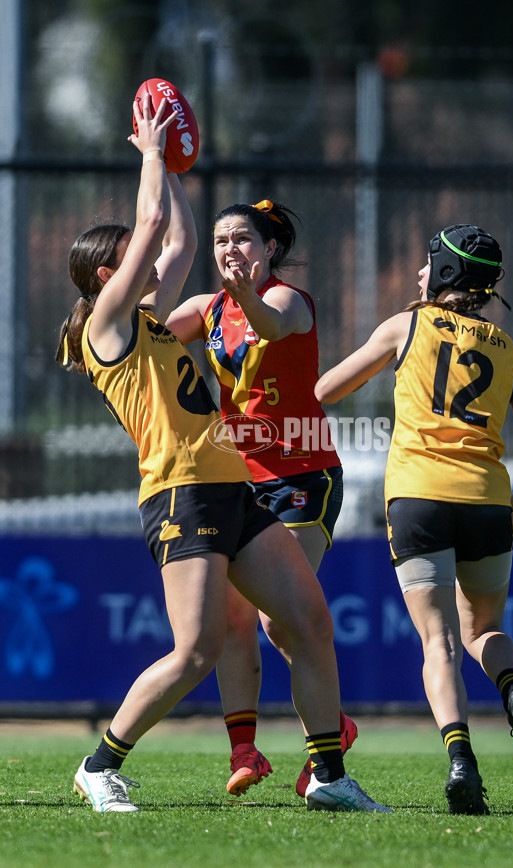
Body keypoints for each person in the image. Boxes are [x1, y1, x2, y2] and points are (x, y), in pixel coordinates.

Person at [56, 93, 391, 815]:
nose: (142, 260)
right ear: (102, 279)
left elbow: (172, 241)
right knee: (196, 650)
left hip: (232, 486)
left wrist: (176, 167)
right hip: (182, 493)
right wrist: (150, 149)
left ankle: (329, 775)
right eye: (123, 260)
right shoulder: (109, 327)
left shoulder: (146, 319)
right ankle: (98, 764)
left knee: (308, 619)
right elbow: (150, 229)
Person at [314, 223, 513, 815]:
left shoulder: (406, 325)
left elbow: (324, 390)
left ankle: (461, 759)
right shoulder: (509, 350)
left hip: (418, 499)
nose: (419, 274)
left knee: (440, 641)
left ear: (446, 275)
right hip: (486, 501)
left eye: (427, 265)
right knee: (483, 632)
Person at [165, 200, 356, 800]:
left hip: (304, 475)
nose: (230, 250)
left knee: (281, 618)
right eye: (221, 240)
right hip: (238, 479)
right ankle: (244, 749)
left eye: (243, 239)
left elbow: (270, 329)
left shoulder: (285, 301)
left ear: (269, 249)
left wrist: (242, 292)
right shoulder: (206, 309)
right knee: (233, 617)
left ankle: (330, 738)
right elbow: (147, 337)